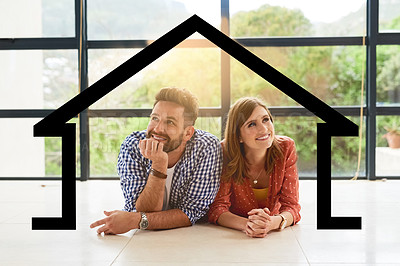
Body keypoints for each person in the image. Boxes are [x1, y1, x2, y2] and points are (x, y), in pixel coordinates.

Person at [90, 87, 223, 234]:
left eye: (170, 122)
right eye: (155, 118)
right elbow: (141, 209)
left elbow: (190, 213)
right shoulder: (133, 146)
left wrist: (134, 220)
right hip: (144, 239)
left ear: (188, 133)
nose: (158, 129)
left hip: (190, 238)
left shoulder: (206, 147)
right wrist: (159, 164)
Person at [208, 97, 301, 238]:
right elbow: (217, 209)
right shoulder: (224, 152)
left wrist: (271, 223)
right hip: (234, 237)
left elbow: (292, 207)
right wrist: (247, 225)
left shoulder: (286, 148)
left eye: (265, 119)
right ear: (239, 136)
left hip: (272, 233)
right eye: (252, 124)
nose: (264, 129)